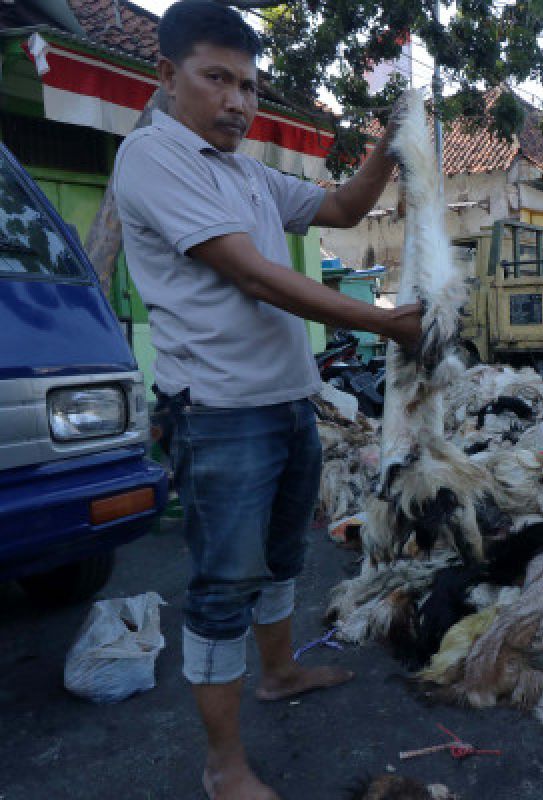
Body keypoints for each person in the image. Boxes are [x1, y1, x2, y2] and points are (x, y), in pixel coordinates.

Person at [111, 3, 422, 798]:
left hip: (287, 401)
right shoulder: (153, 160)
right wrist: (384, 323)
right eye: (217, 78)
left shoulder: (248, 172)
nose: (238, 102)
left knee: (283, 559)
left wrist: (397, 142)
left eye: (248, 85)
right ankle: (224, 769)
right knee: (222, 584)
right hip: (218, 414)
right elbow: (250, 271)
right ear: (167, 76)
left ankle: (279, 674)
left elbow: (347, 208)